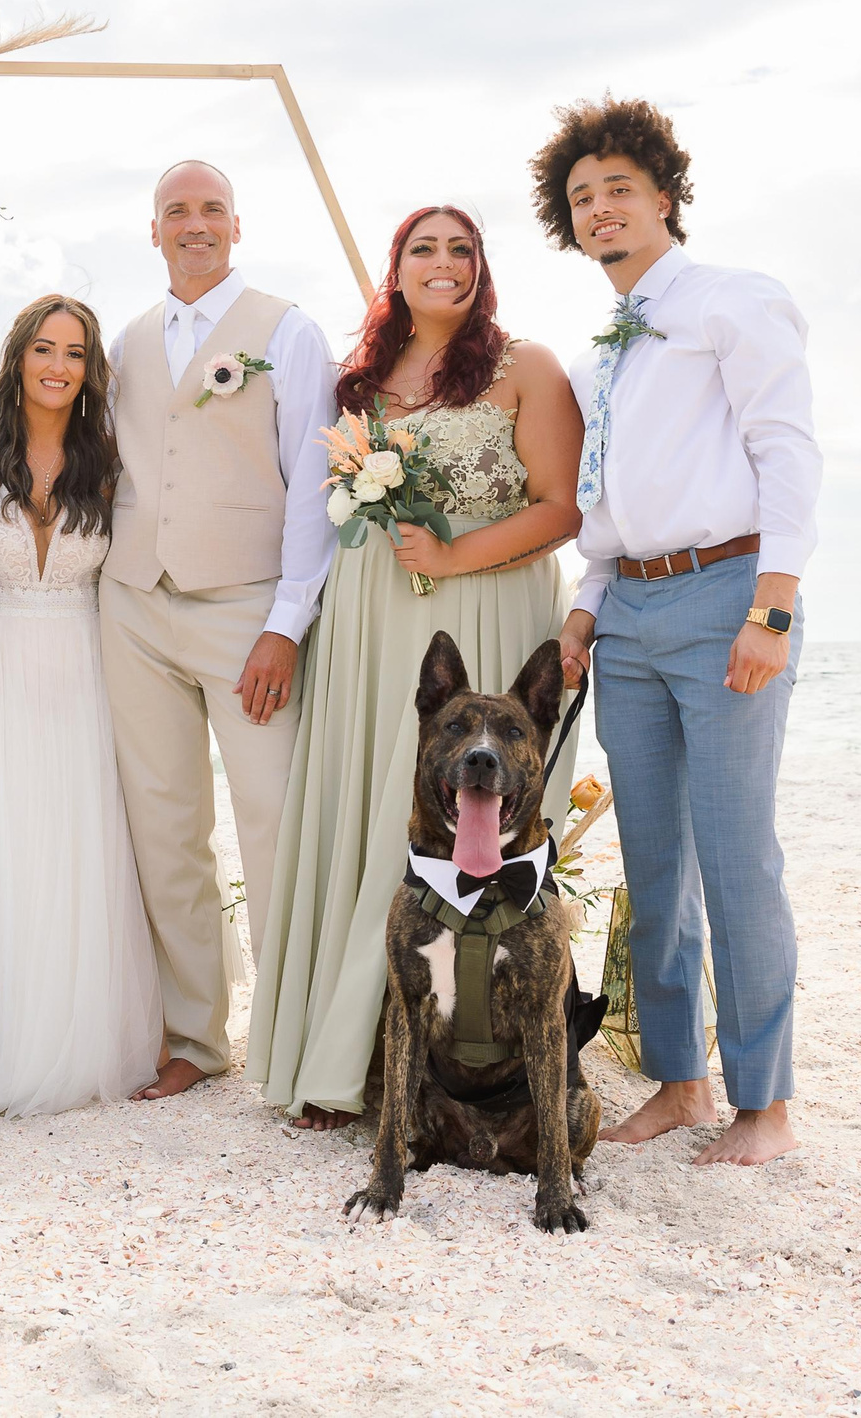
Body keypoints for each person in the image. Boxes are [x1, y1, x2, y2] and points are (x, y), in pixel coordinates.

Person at [248, 205, 585, 1129]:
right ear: (394, 269)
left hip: (485, 599)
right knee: (367, 813)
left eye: (461, 249)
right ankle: (346, 1054)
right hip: (372, 617)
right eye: (423, 249)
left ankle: (483, 1058)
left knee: (477, 812)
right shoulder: (361, 380)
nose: (444, 263)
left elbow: (563, 508)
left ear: (482, 267)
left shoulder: (527, 367)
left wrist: (451, 557)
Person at [532, 96, 820, 1167]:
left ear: (663, 195)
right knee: (654, 863)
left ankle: (764, 1104)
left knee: (738, 858)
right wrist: (583, 610)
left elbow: (787, 451)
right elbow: (609, 506)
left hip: (727, 593)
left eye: (618, 187)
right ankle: (680, 1081)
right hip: (630, 615)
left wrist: (771, 607)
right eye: (581, 197)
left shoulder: (731, 300)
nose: (600, 208)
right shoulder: (599, 354)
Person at [100, 160, 339, 1099]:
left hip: (248, 608)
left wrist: (288, 621)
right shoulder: (125, 342)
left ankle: (294, 1040)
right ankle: (195, 1036)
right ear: (154, 229)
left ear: (237, 226)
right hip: (133, 604)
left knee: (274, 821)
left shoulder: (288, 331)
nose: (193, 224)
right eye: (176, 211)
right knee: (164, 827)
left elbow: (314, 487)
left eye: (211, 210)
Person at [0, 296, 165, 1116]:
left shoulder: (109, 462)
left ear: (91, 369)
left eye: (74, 352)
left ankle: (73, 1039)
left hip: (80, 667)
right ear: (18, 356)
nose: (58, 366)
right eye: (43, 348)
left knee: (73, 846)